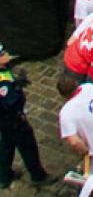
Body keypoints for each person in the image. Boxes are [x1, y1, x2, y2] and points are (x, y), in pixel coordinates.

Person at [0, 43, 55, 188]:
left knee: (7, 144)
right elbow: (9, 103)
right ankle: (38, 176)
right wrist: (17, 88)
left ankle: (4, 175)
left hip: (5, 121)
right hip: (12, 118)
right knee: (27, 145)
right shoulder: (2, 82)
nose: (6, 55)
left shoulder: (4, 71)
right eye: (1, 55)